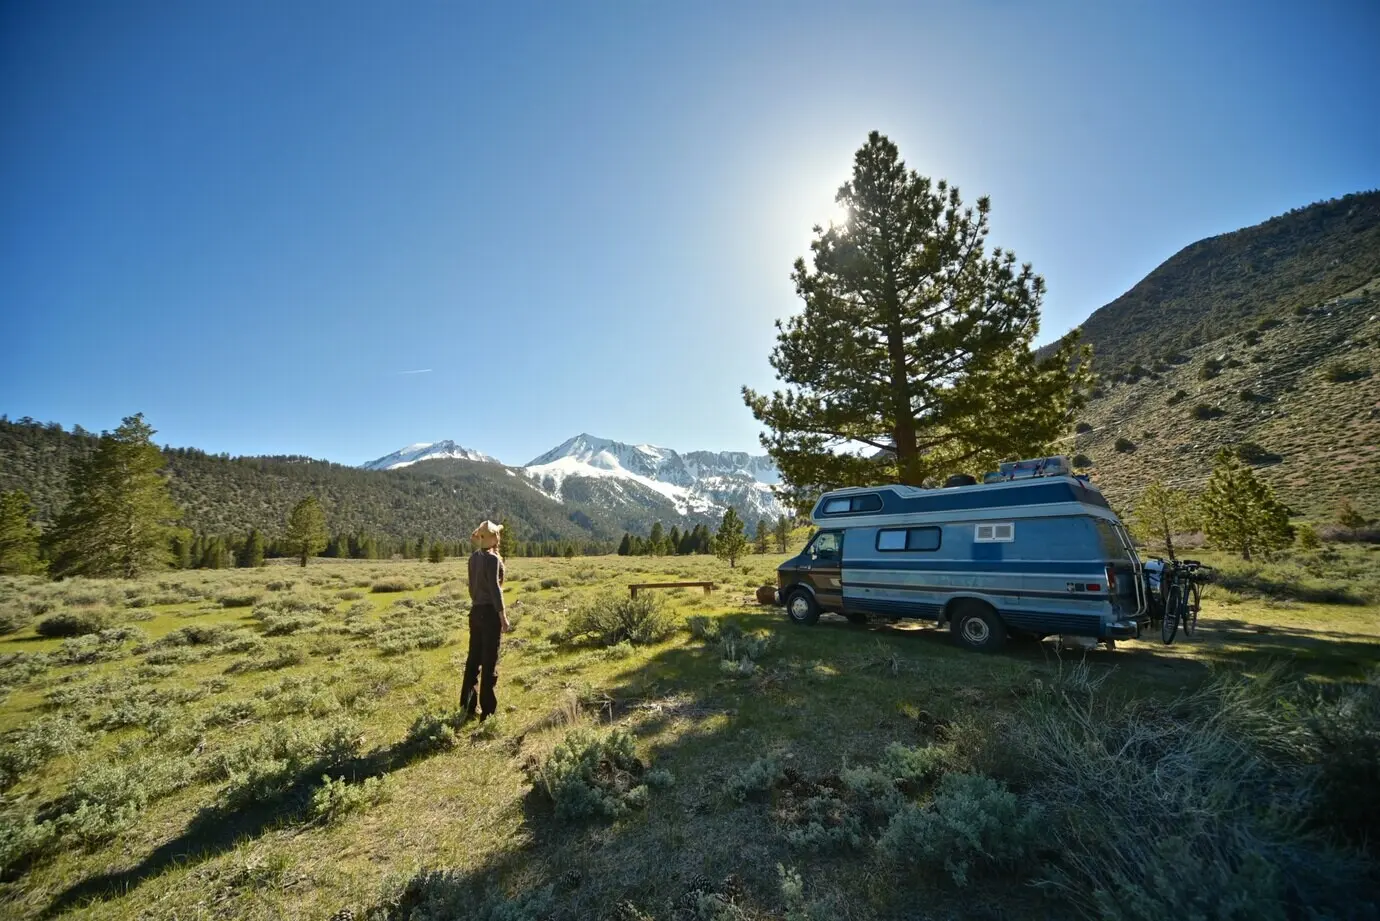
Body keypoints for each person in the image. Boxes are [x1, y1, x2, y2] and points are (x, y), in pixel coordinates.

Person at [462, 519, 511, 721]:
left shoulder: (473, 559)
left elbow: (472, 588)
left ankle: (467, 706)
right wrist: (503, 617)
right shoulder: (493, 560)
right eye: (496, 534)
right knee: (489, 662)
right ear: (494, 538)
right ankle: (488, 712)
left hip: (475, 612)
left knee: (473, 661)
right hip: (490, 614)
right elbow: (495, 590)